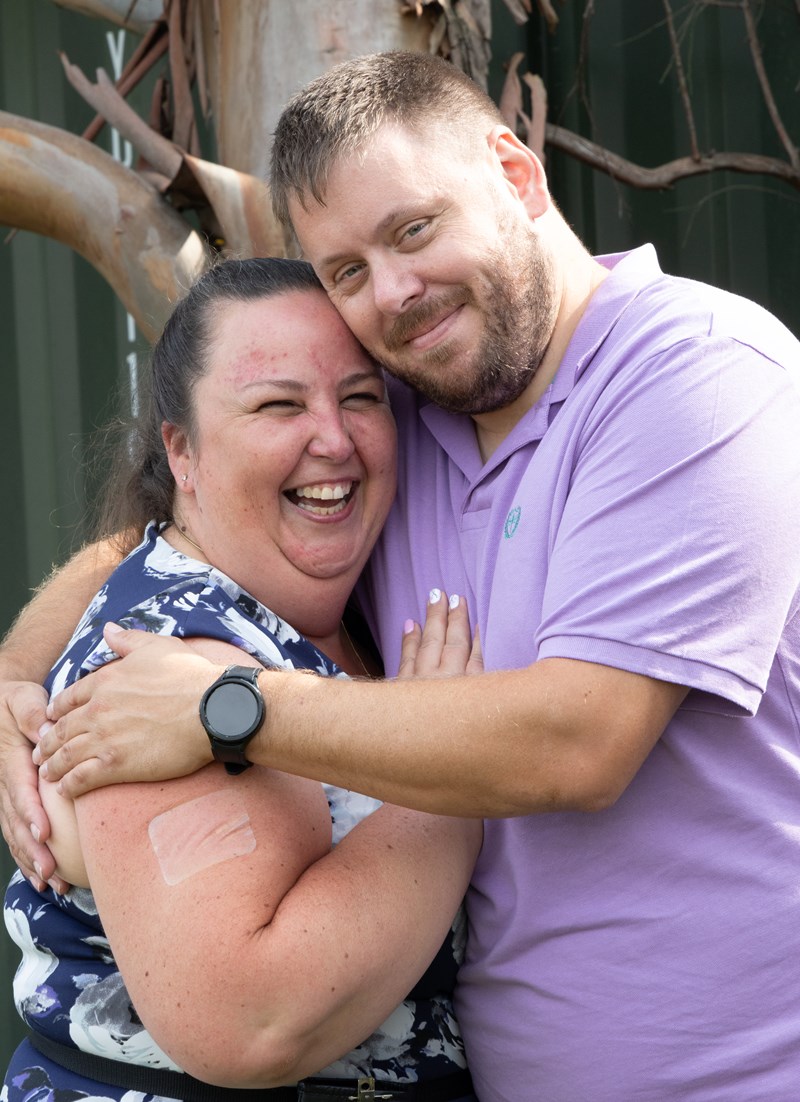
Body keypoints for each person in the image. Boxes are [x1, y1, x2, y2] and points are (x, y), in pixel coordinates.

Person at [2, 48, 800, 1102]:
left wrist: (225, 708)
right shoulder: (407, 415)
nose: (393, 293)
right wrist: (14, 677)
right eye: (345, 271)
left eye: (413, 230)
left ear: (515, 174)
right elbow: (185, 523)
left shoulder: (693, 374)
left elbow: (582, 739)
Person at [1, 255, 481, 1102]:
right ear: (181, 452)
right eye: (278, 406)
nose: (334, 439)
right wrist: (455, 781)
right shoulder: (157, 669)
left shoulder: (341, 578)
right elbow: (250, 1021)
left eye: (361, 397)